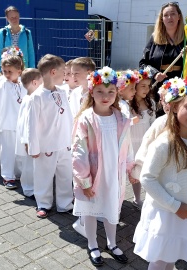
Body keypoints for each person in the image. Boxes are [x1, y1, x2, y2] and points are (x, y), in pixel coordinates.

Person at [133, 76, 187, 270]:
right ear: (175, 106)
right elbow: (147, 178)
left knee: (171, 255)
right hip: (168, 212)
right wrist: (175, 206)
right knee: (160, 258)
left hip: (184, 209)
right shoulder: (165, 142)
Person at [72, 66, 133, 266]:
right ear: (91, 91)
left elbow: (127, 145)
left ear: (117, 93)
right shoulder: (87, 118)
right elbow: (79, 151)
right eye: (100, 91)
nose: (105, 96)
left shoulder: (121, 118)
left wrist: (130, 166)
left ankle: (112, 243)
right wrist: (84, 181)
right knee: (90, 209)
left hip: (113, 174)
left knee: (111, 208)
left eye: (110, 92)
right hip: (93, 174)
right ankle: (92, 244)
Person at [27, 54, 74, 218]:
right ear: (53, 72)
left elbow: (68, 115)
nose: (65, 76)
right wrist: (33, 147)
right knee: (43, 176)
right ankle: (44, 203)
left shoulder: (62, 91)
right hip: (46, 144)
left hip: (64, 143)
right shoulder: (37, 97)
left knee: (65, 174)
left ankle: (65, 203)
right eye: (64, 72)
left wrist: (72, 137)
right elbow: (31, 125)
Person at [0, 54, 26, 189]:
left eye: (10, 71)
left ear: (19, 71)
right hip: (7, 123)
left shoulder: (25, 84)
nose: (7, 74)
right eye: (4, 71)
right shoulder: (3, 84)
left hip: (22, 124)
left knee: (21, 151)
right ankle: (8, 176)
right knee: (8, 151)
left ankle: (20, 173)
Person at [139, 2, 185, 115]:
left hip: (180, 88)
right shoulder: (155, 38)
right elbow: (143, 63)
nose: (170, 17)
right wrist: (154, 74)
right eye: (166, 15)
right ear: (162, 19)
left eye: (173, 14)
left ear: (179, 17)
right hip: (157, 89)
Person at [128, 67, 157, 209]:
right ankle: (136, 198)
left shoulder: (150, 103)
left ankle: (141, 198)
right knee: (132, 171)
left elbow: (153, 123)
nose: (146, 89)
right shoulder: (127, 104)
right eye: (143, 86)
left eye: (148, 86)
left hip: (145, 142)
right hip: (130, 143)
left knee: (143, 170)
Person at [15, 68, 43, 198]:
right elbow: (26, 122)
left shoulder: (30, 98)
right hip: (28, 140)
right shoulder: (30, 99)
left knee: (32, 166)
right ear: (35, 83)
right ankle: (28, 189)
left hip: (31, 139)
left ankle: (33, 186)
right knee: (28, 166)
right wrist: (27, 141)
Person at [0, 6, 35, 74]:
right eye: (11, 18)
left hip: (23, 70)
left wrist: (31, 69)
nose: (14, 20)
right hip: (7, 70)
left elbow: (31, 52)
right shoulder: (3, 32)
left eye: (16, 17)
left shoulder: (27, 33)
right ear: (7, 19)